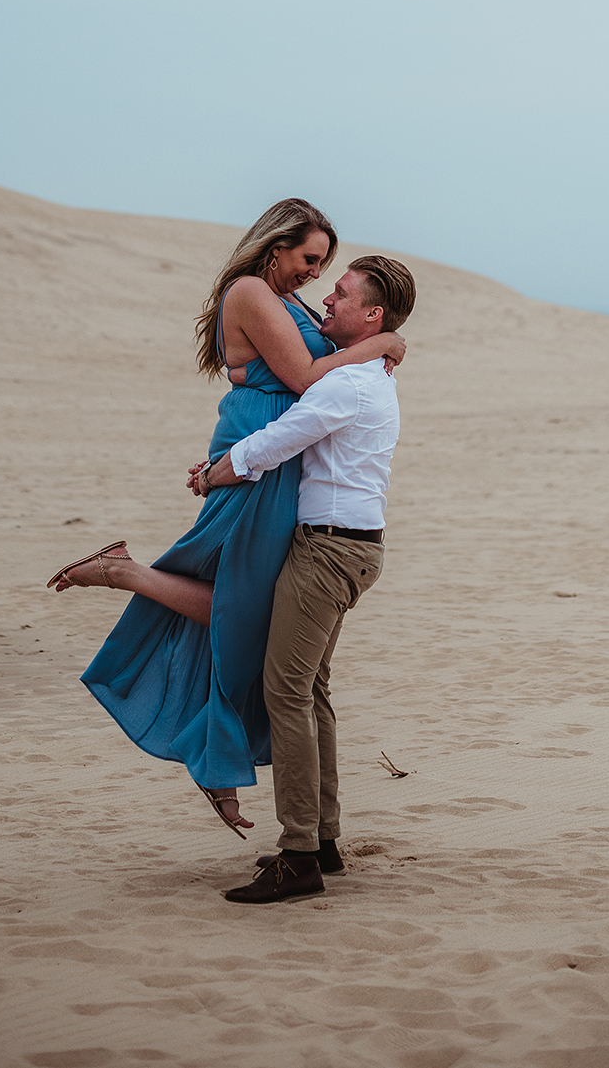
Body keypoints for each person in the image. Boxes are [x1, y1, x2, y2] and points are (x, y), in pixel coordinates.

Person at [47, 199, 406, 837]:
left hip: (275, 462)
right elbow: (304, 377)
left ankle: (134, 586)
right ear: (275, 246)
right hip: (257, 457)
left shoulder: (289, 304)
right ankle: (216, 754)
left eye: (325, 267)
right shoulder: (249, 292)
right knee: (245, 610)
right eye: (308, 260)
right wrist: (383, 341)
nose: (314, 277)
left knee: (246, 610)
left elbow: (319, 378)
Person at [191, 252, 414, 904]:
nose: (327, 300)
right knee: (309, 689)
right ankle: (321, 840)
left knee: (284, 691)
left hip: (329, 552)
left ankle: (298, 857)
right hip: (350, 545)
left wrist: (215, 471)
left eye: (340, 294)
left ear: (371, 314)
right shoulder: (371, 367)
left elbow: (280, 440)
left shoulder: (348, 383)